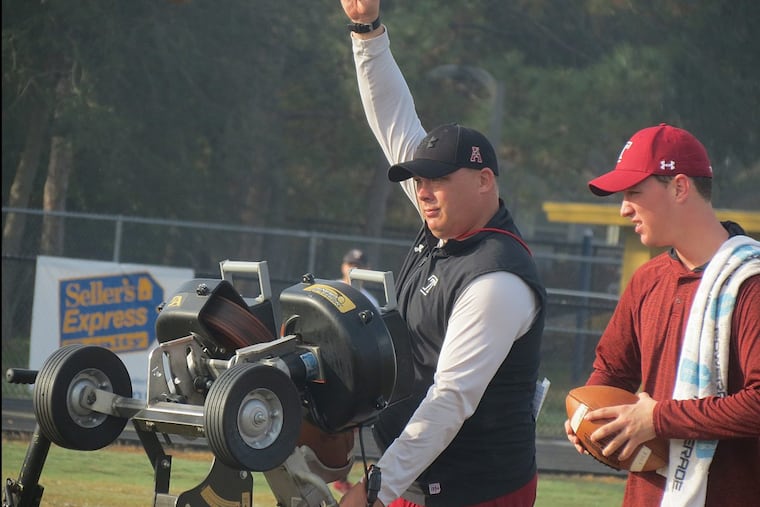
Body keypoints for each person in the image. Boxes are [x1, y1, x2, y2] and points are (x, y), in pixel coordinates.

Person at [338, 2, 547, 507]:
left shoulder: (496, 279)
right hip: (420, 476)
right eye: (419, 180)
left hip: (473, 492)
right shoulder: (448, 220)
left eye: (438, 179)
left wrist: (374, 492)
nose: (424, 192)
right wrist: (366, 31)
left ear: (484, 181)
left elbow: (451, 400)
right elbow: (393, 122)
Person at [564, 123, 760, 507]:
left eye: (635, 192)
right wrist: (590, 418)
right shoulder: (648, 279)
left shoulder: (750, 282)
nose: (624, 208)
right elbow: (611, 370)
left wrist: (656, 420)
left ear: (680, 187)